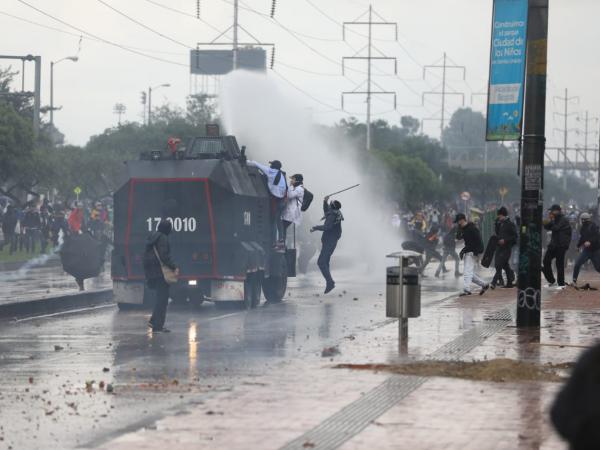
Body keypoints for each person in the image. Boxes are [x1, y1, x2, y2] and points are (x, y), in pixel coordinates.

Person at [143, 219, 178, 333]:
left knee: (160, 299)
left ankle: (154, 321)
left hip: (153, 273)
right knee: (162, 300)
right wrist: (174, 267)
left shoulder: (152, 237)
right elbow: (164, 256)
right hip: (161, 273)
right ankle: (158, 326)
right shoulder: (162, 238)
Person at [247, 159, 287, 246]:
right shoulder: (282, 174)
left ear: (273, 166)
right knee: (278, 221)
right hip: (283, 201)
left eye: (271, 164)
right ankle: (281, 239)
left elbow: (256, 164)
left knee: (272, 221)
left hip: (276, 201)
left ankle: (273, 242)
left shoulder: (270, 171)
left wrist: (246, 161)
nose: (270, 166)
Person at [311, 196, 343, 294]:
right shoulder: (334, 213)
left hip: (329, 242)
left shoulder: (332, 215)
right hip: (329, 242)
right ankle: (329, 282)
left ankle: (330, 282)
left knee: (321, 262)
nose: (328, 206)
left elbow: (327, 227)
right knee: (325, 262)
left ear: (332, 207)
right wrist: (325, 201)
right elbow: (326, 211)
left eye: (330, 204)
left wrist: (315, 228)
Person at [455, 213, 489, 296]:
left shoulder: (472, 228)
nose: (457, 223)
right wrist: (459, 228)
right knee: (469, 273)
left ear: (462, 220)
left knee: (467, 272)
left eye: (458, 222)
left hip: (473, 252)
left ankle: (466, 289)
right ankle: (484, 284)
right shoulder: (463, 228)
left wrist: (477, 251)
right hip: (469, 251)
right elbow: (458, 237)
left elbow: (478, 241)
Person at [543, 204, 572, 288]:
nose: (551, 212)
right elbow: (547, 227)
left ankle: (561, 283)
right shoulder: (554, 219)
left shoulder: (563, 219)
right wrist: (545, 222)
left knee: (559, 264)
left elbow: (556, 228)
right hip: (553, 244)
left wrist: (551, 220)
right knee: (546, 261)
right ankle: (551, 280)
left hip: (561, 245)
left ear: (557, 211)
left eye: (552, 210)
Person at [491, 206, 517, 289]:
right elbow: (497, 233)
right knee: (504, 265)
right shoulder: (499, 224)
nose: (498, 217)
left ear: (504, 215)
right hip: (499, 247)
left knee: (499, 264)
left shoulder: (510, 224)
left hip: (506, 248)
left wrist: (505, 240)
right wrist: (496, 224)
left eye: (500, 216)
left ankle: (493, 282)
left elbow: (515, 237)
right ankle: (510, 281)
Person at [572, 212, 600, 285]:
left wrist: (590, 241)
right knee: (577, 264)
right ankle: (574, 280)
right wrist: (578, 246)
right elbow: (582, 238)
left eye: (583, 220)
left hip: (595, 251)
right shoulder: (582, 228)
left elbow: (596, 236)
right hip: (586, 251)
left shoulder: (593, 226)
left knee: (598, 268)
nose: (582, 221)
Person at [282, 174, 305, 242]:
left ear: (296, 180)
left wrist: (291, 186)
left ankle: (282, 243)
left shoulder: (299, 189)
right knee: (283, 227)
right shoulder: (297, 188)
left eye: (293, 179)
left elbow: (290, 195)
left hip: (293, 212)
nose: (291, 180)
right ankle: (282, 243)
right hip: (290, 212)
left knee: (282, 226)